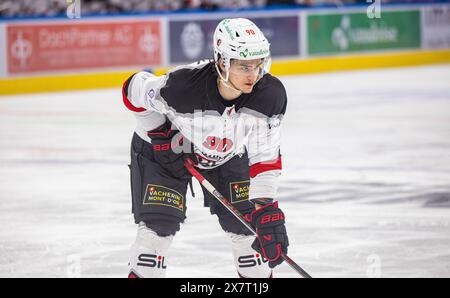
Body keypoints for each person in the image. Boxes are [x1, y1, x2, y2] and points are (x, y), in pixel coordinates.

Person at [123, 18, 289, 278]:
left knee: (250, 241)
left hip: (226, 155)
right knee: (154, 239)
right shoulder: (182, 87)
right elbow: (132, 89)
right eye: (244, 66)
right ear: (222, 62)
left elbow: (265, 158)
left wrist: (265, 209)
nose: (253, 75)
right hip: (164, 156)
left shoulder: (269, 95)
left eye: (258, 65)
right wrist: (159, 131)